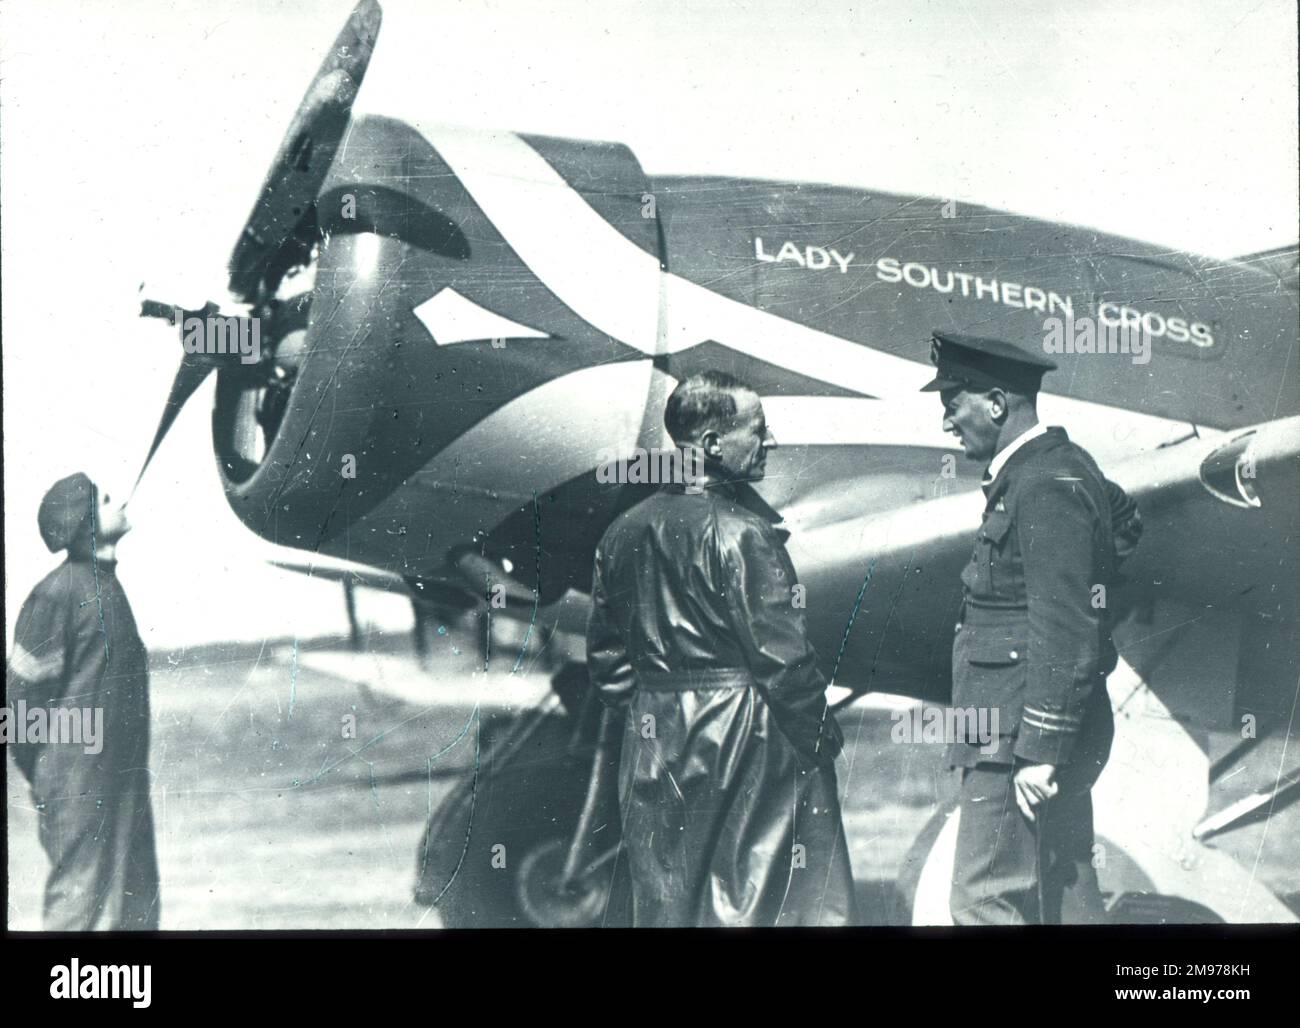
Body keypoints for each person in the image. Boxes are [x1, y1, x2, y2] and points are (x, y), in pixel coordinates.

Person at [585, 370, 855, 927]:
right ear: (710, 446)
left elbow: (607, 662)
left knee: (662, 898)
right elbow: (783, 660)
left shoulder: (621, 533)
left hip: (653, 734)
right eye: (757, 430)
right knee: (754, 898)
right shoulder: (744, 534)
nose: (769, 442)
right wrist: (819, 740)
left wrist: (651, 714)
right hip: (746, 732)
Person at [921, 331, 1138, 925]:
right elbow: (1121, 522)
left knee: (984, 901)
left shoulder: (1043, 483)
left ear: (995, 403)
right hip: (1028, 724)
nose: (946, 422)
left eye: (952, 403)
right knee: (1064, 892)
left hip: (1019, 735)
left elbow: (1064, 623)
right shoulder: (1055, 471)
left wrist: (1040, 750)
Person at [6, 473, 160, 929]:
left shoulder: (107, 585)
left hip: (121, 778)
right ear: (83, 522)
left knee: (134, 903)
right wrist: (51, 773)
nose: (121, 499)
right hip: (78, 784)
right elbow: (18, 702)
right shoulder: (56, 593)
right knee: (78, 907)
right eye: (106, 498)